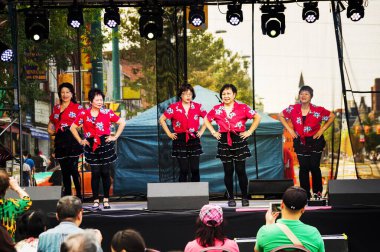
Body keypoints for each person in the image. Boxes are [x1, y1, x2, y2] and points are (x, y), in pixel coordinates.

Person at [204, 84, 261, 207]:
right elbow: (206, 119)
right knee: (228, 171)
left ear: (234, 94)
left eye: (228, 93)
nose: (226, 96)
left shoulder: (242, 107)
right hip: (224, 139)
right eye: (223, 94)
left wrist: (249, 131)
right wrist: (214, 132)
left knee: (241, 170)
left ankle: (245, 197)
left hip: (239, 138)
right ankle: (231, 198)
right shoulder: (217, 108)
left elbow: (257, 117)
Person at [70, 88, 126, 209]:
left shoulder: (107, 112)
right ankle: (95, 200)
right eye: (97, 99)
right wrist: (80, 140)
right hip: (91, 144)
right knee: (95, 173)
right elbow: (72, 127)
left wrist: (115, 136)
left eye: (101, 99)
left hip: (105, 143)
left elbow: (122, 122)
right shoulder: (84, 114)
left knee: (105, 172)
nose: (100, 102)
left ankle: (106, 199)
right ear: (91, 101)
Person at [278, 86, 335, 199]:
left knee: (314, 166)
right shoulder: (293, 109)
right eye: (301, 94)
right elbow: (281, 115)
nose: (303, 96)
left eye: (306, 94)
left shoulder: (318, 110)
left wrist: (322, 130)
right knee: (303, 168)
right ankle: (305, 194)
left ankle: (317, 193)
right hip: (300, 141)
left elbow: (332, 116)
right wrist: (290, 130)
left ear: (311, 97)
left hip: (315, 140)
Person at [159, 84, 207, 182]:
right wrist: (169, 133)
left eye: (190, 94)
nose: (188, 96)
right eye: (185, 94)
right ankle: (182, 195)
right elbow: (162, 119)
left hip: (193, 138)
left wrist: (201, 131)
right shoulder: (174, 107)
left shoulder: (198, 107)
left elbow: (208, 119)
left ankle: (196, 194)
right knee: (183, 169)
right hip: (179, 138)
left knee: (195, 169)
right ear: (181, 95)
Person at [254, 186, 325, 252]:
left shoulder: (265, 231)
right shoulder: (314, 233)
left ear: (282, 205)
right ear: (303, 209)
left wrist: (268, 226)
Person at [47, 82, 84, 198]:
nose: (65, 94)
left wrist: (73, 127)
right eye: (62, 92)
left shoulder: (78, 108)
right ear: (59, 94)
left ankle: (78, 195)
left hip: (72, 139)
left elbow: (83, 123)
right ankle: (68, 196)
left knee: (73, 169)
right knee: (65, 171)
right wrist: (51, 130)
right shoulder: (56, 108)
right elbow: (52, 122)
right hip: (60, 141)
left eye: (67, 92)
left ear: (72, 94)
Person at [0, 170, 32, 240]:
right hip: (7, 247)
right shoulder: (10, 205)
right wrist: (16, 187)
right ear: (6, 189)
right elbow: (27, 201)